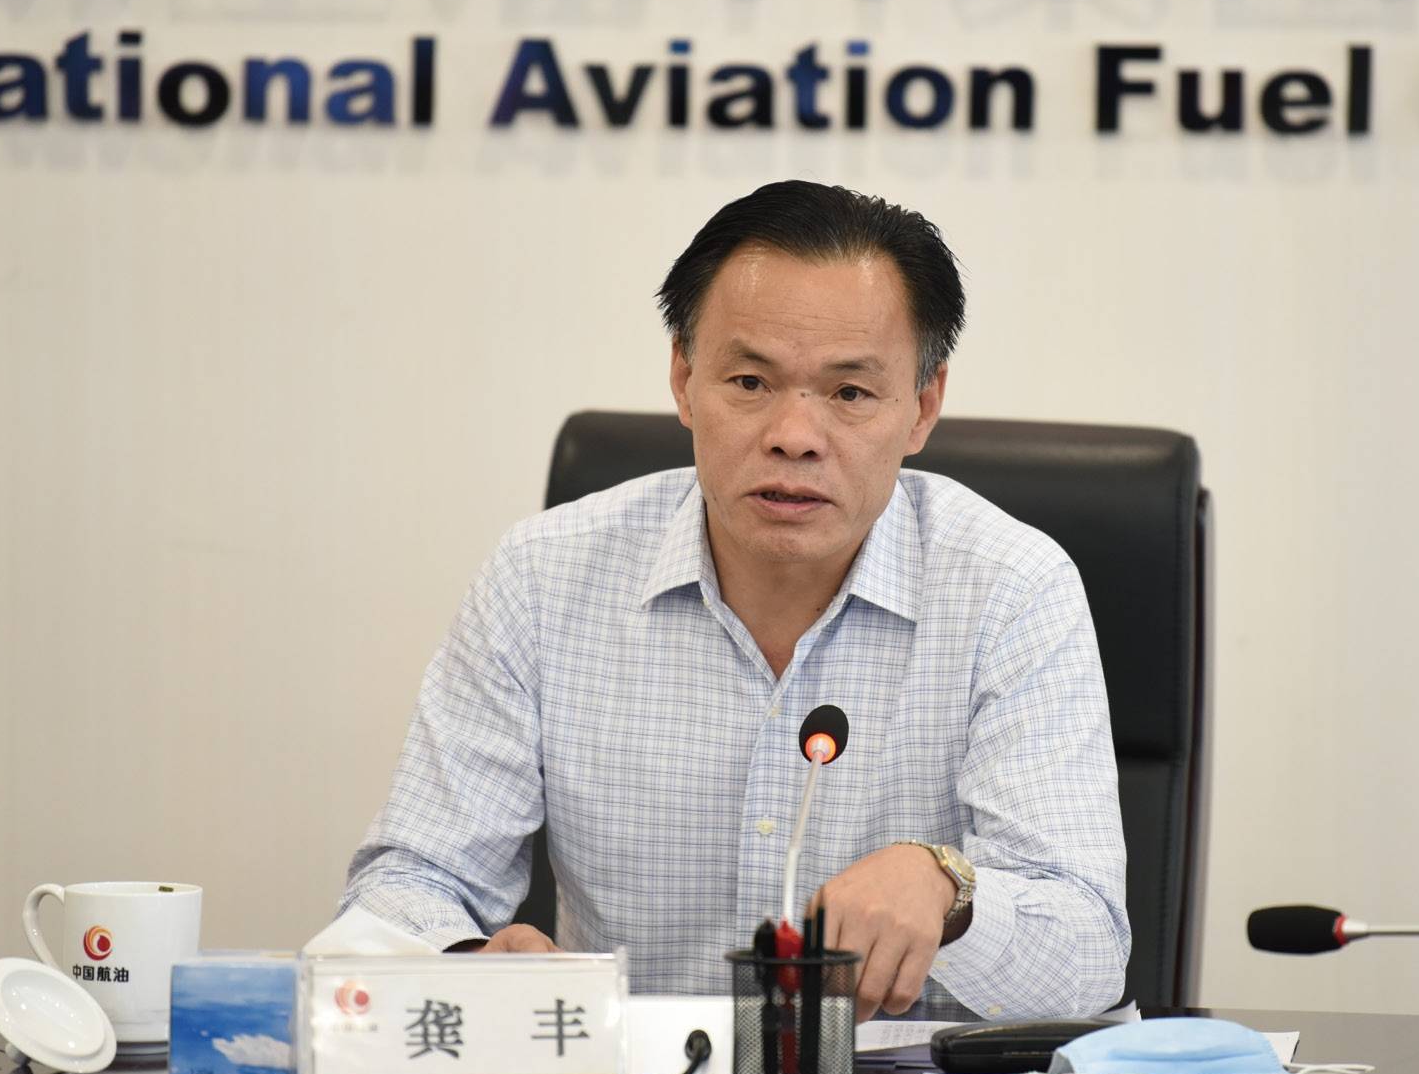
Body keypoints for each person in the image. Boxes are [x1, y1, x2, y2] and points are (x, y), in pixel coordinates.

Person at [332, 180, 1128, 1021]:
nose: (793, 436)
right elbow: (407, 882)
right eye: (749, 381)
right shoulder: (543, 579)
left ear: (922, 407)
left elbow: (1086, 958)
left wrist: (949, 893)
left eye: (850, 394)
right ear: (683, 379)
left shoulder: (1010, 591)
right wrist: (467, 963)